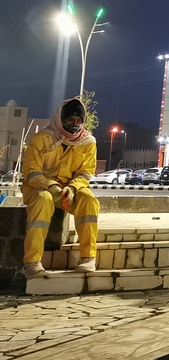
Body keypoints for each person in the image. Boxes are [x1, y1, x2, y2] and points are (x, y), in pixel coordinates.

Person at [21, 98, 100, 278]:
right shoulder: (40, 139)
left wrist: (72, 188)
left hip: (70, 192)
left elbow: (85, 173)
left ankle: (88, 258)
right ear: (60, 119)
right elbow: (32, 173)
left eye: (79, 121)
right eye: (70, 120)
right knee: (43, 200)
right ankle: (32, 263)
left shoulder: (88, 142)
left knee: (88, 199)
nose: (75, 125)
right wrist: (52, 187)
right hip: (40, 189)